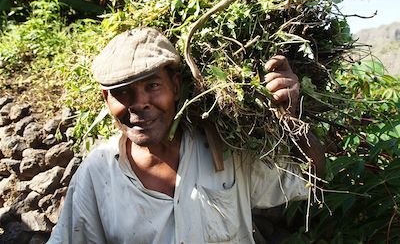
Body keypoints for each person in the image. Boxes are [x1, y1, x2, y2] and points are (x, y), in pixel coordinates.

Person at [47, 27, 324, 244]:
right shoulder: (98, 171)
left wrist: (290, 115)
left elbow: (311, 178)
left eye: (153, 85)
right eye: (122, 92)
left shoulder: (225, 147)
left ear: (176, 86)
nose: (139, 103)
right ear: (106, 99)